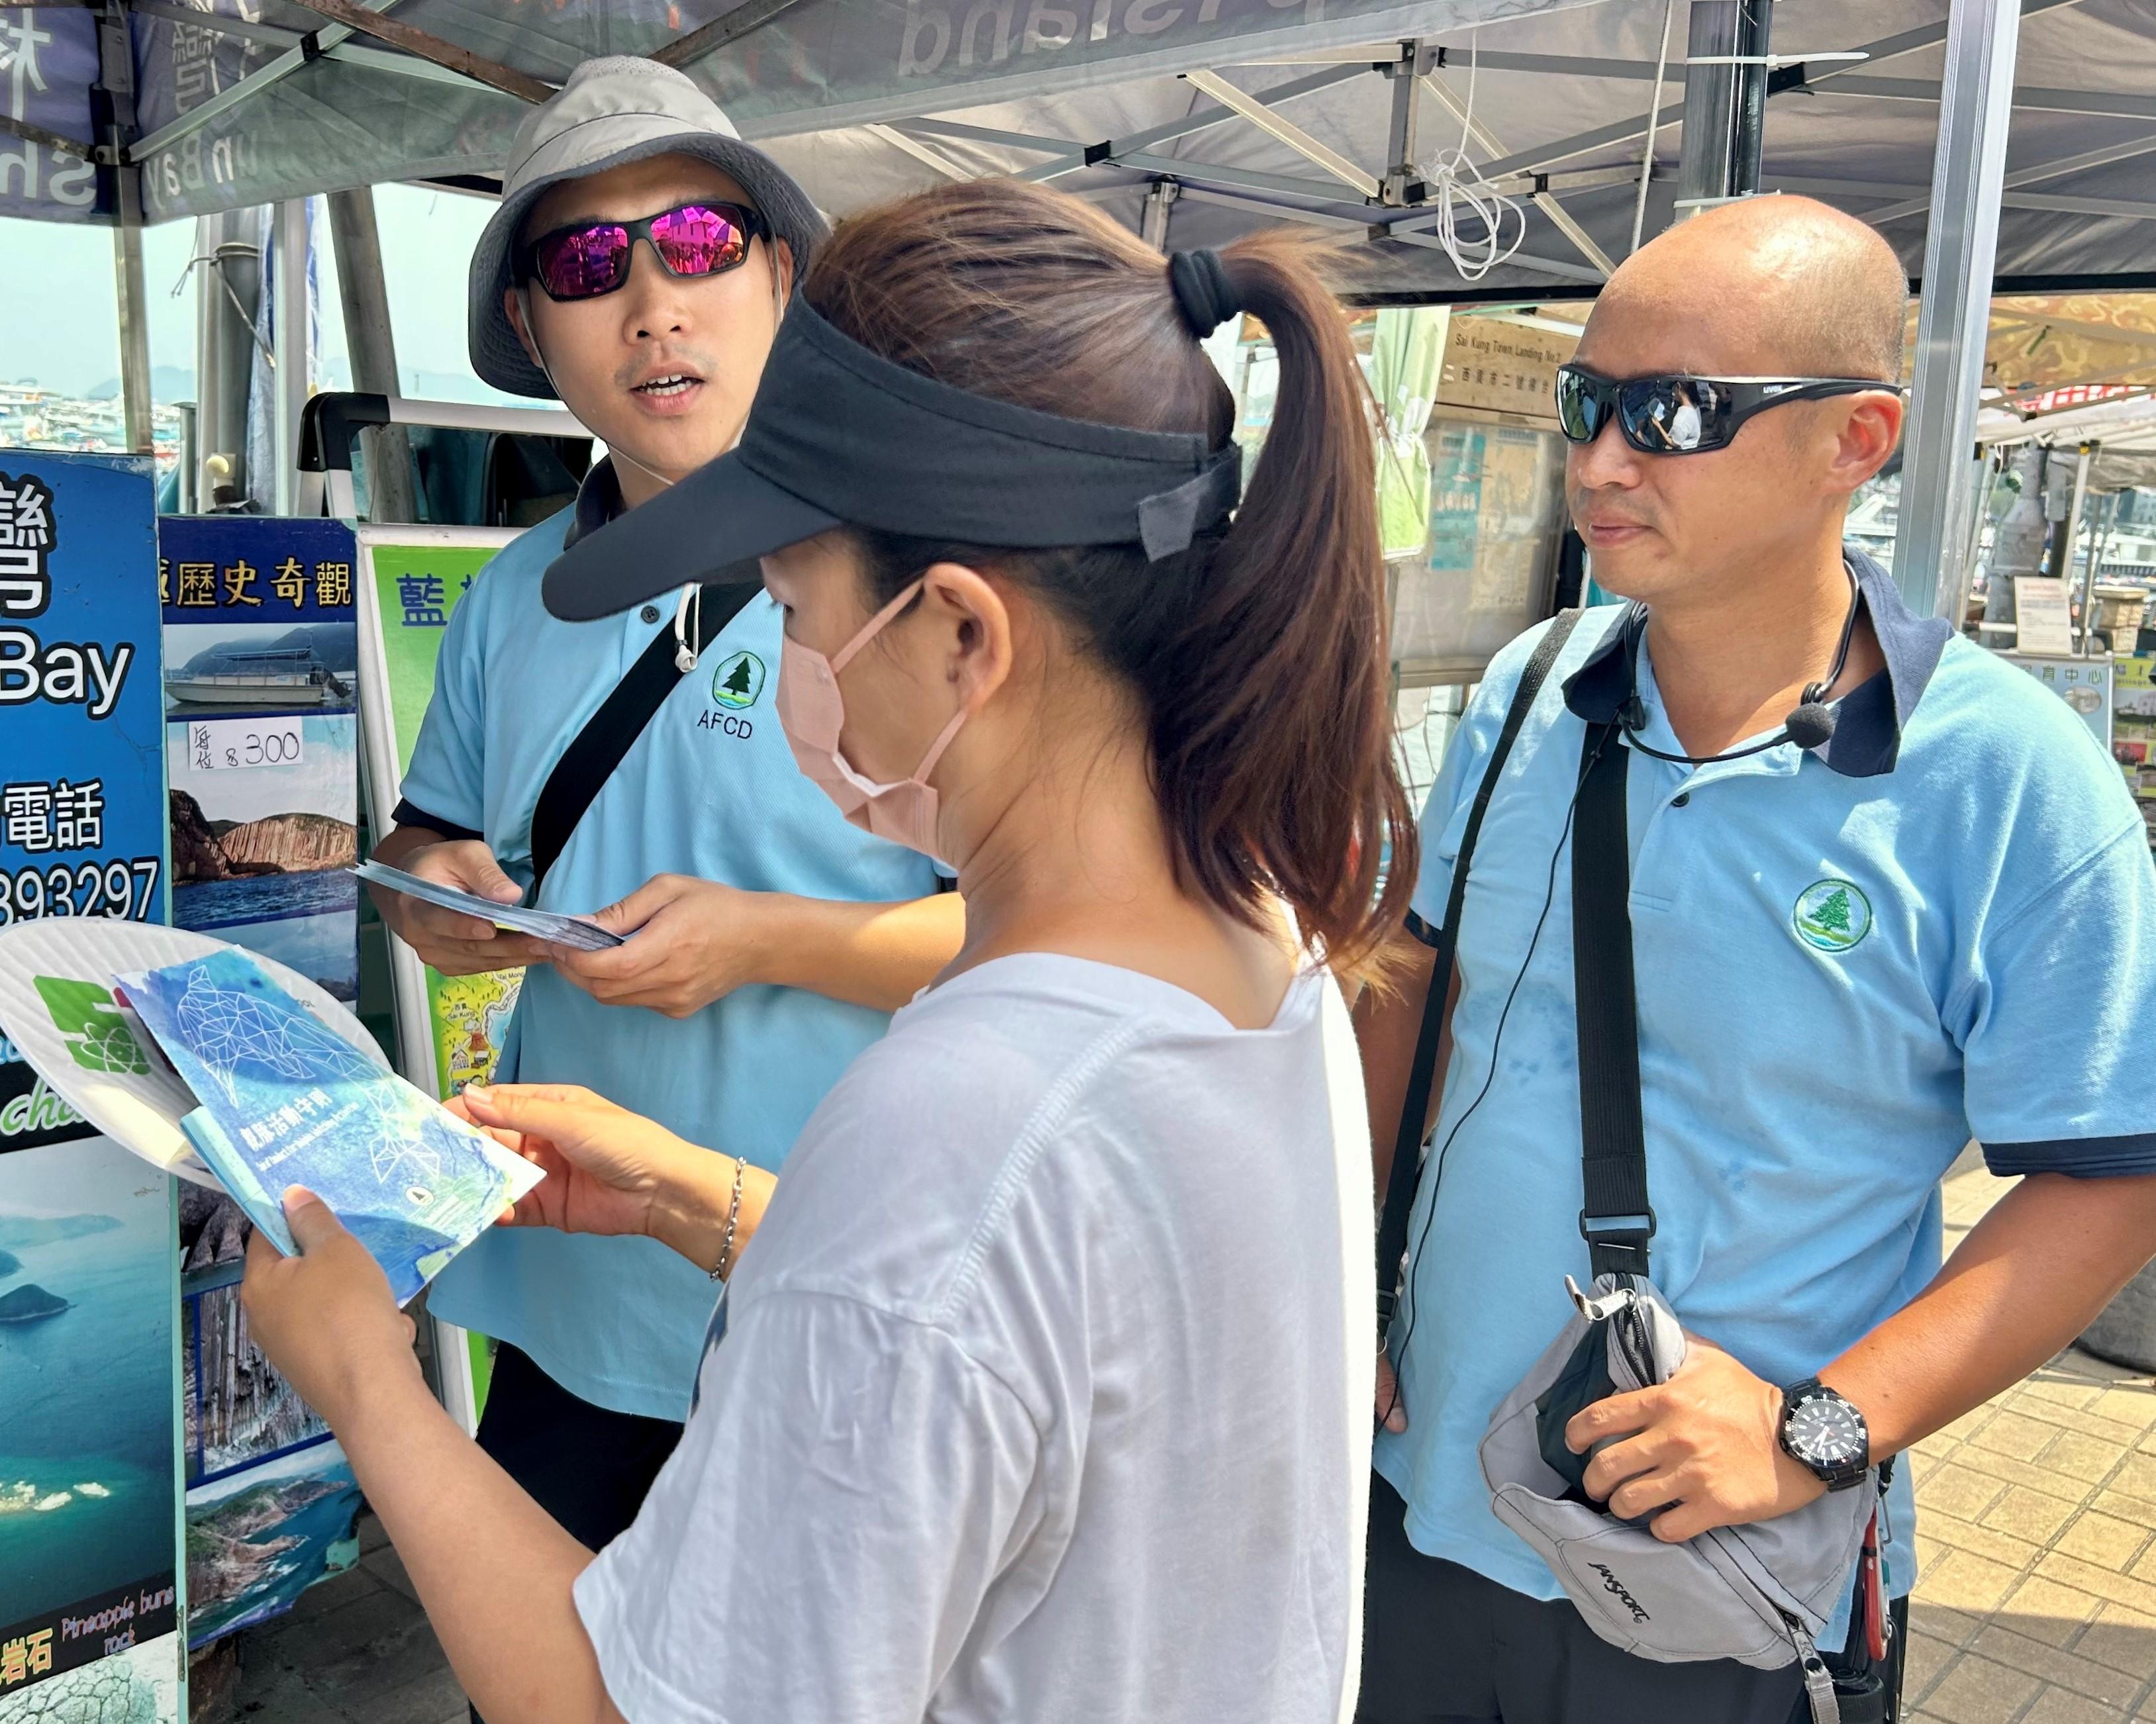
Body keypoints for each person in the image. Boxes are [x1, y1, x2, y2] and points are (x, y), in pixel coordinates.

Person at [246, 178, 1405, 1723]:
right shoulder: (1266, 951)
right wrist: (706, 1199)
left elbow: (617, 1705)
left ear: (960, 636)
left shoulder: (955, 1122)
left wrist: (362, 1384)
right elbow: (1028, 1348)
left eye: (792, 602)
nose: (782, 663)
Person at [1355, 195, 2156, 1724]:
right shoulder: (1533, 686)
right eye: (1589, 404)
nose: (1598, 460)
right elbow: (1417, 983)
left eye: (1669, 413)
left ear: (1855, 441)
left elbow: (2109, 1170)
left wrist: (1818, 1435)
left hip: (1724, 1573)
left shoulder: (2001, 778)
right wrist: (1340, 1281)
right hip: (1426, 1503)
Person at [365, 55, 965, 1574]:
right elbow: (419, 839)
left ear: (776, 271)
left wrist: (771, 940)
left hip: (843, 1287)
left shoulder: (929, 579)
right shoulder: (513, 593)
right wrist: (433, 893)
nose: (652, 305)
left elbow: (1090, 946)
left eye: (696, 243)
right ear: (528, 323)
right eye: (584, 262)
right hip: (567, 1294)